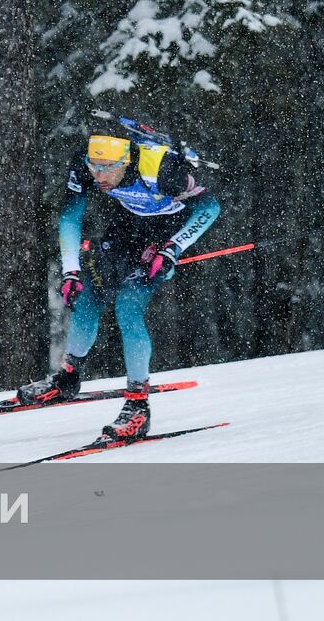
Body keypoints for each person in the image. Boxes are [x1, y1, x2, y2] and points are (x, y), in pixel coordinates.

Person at [18, 131, 220, 440]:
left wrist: (172, 249)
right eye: (94, 167)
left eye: (108, 168)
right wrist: (71, 271)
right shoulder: (86, 166)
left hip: (166, 234)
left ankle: (138, 407)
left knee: (128, 308)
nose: (99, 176)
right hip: (125, 229)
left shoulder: (161, 169)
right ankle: (66, 379)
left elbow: (210, 208)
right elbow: (71, 217)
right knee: (87, 298)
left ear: (126, 162)